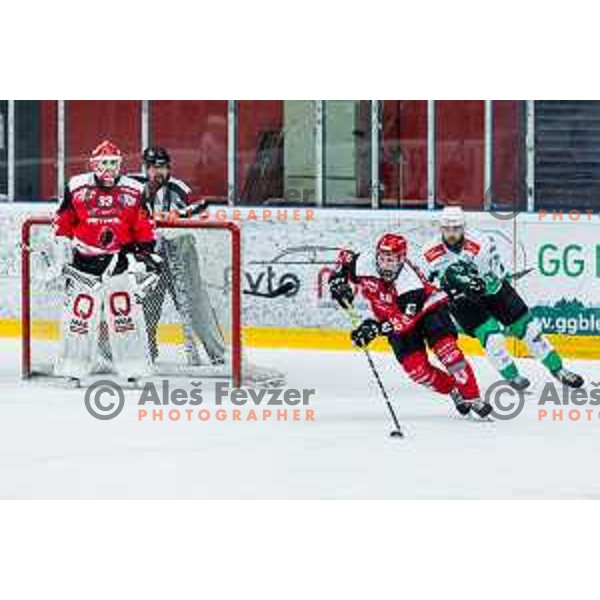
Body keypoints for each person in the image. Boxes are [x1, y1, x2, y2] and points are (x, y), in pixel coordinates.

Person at [329, 233, 492, 419]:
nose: (384, 265)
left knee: (449, 354)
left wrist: (374, 329)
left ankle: (473, 398)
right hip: (392, 318)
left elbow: (405, 321)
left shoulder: (409, 283)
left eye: (390, 260)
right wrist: (337, 280)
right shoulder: (364, 263)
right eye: (381, 259)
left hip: (428, 312)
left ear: (401, 259)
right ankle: (454, 389)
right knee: (417, 371)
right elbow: (344, 259)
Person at [422, 206, 584, 389]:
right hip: (462, 300)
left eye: (456, 229)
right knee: (492, 338)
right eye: (447, 229)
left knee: (530, 329)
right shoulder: (429, 251)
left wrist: (481, 282)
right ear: (441, 228)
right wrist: (444, 290)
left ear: (464, 227)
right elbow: (428, 284)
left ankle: (559, 370)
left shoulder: (481, 242)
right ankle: (512, 376)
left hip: (491, 288)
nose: (451, 234)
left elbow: (492, 274)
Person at [52, 140, 161, 381]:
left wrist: (146, 252)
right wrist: (60, 247)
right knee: (79, 319)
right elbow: (63, 221)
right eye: (103, 163)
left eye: (113, 163)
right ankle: (73, 368)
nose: (109, 168)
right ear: (93, 164)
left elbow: (143, 224)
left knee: (125, 317)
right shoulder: (77, 186)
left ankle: (133, 368)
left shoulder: (134, 189)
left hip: (118, 264)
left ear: (120, 164)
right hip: (84, 266)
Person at [129, 146, 225, 366]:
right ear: (145, 168)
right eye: (153, 167)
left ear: (169, 168)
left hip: (181, 259)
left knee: (196, 305)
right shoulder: (133, 187)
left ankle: (219, 355)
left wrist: (178, 217)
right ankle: (147, 355)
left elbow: (201, 210)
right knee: (146, 309)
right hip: (150, 261)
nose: (158, 172)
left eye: (162, 167)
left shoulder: (179, 189)